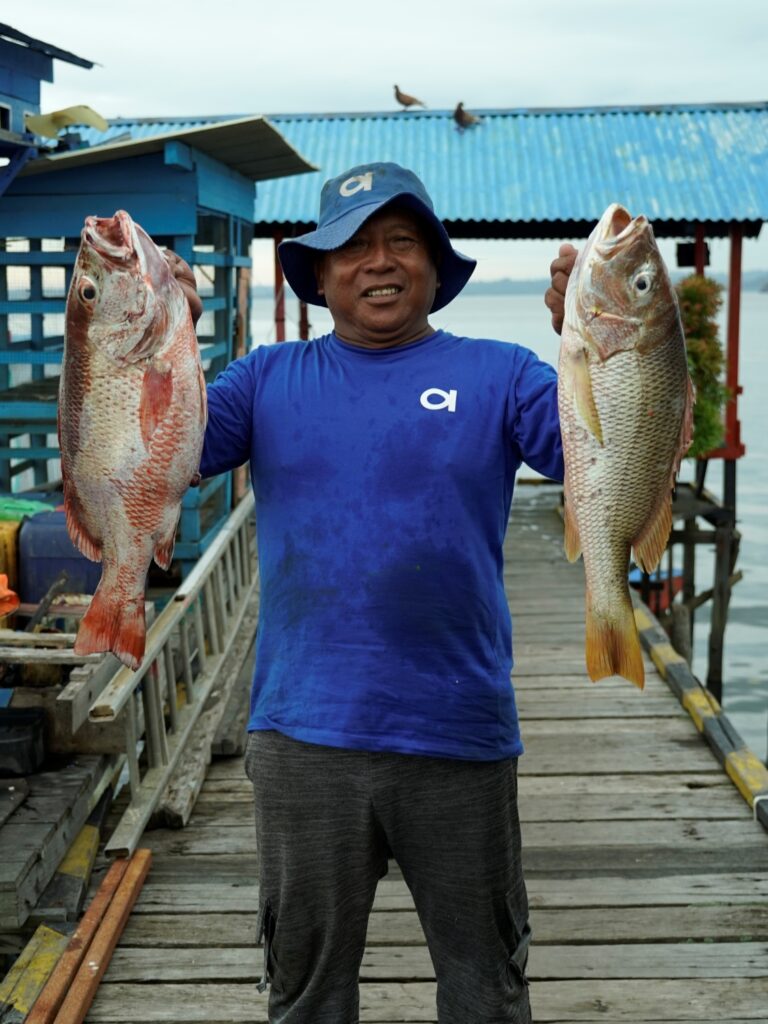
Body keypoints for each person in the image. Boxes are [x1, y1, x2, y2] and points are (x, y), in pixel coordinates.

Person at [170, 162, 572, 1024]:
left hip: (459, 731)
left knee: (487, 988)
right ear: (320, 276)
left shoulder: (504, 373)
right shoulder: (264, 379)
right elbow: (157, 455)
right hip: (303, 734)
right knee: (305, 991)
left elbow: (622, 460)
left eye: (400, 241)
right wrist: (158, 341)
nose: (377, 262)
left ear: (435, 265)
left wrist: (606, 346)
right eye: (351, 246)